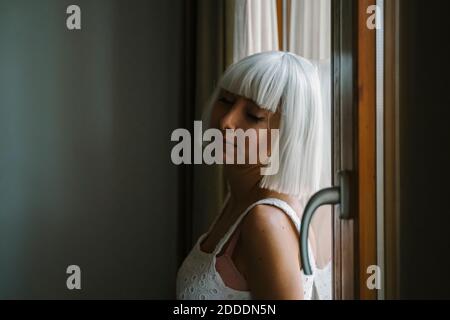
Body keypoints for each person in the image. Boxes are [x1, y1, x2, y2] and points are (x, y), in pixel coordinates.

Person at [176, 51, 331, 300]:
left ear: (288, 135)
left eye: (254, 116)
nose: (226, 121)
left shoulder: (266, 221)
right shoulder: (238, 198)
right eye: (226, 100)